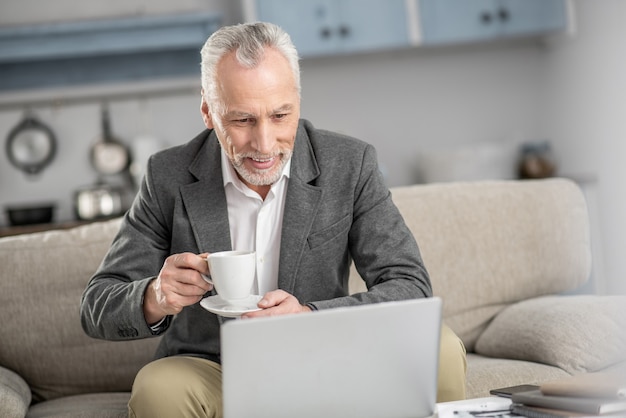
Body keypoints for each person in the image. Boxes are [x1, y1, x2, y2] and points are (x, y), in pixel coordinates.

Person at [80, 21, 466, 417]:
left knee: (440, 345)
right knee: (158, 389)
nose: (264, 144)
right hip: (215, 368)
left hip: (331, 355)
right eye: (242, 120)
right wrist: (155, 296)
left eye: (281, 116)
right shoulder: (168, 175)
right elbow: (96, 305)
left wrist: (310, 317)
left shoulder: (350, 165)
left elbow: (410, 285)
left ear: (298, 101)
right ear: (207, 111)